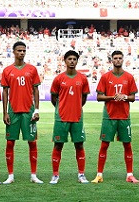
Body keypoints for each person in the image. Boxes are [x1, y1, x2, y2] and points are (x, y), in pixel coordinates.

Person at [91, 51, 139, 184]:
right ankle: (99, 174)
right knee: (104, 145)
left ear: (123, 59)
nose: (117, 60)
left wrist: (124, 96)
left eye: (120, 58)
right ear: (111, 60)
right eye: (115, 58)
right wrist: (113, 97)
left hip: (124, 116)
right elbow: (99, 97)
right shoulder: (106, 77)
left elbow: (133, 98)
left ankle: (129, 175)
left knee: (127, 145)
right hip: (109, 116)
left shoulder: (129, 77)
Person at [1, 41, 43, 184]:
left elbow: (36, 90)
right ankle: (10, 176)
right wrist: (5, 112)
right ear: (13, 52)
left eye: (24, 50)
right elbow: (5, 91)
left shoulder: (31, 69)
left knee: (32, 143)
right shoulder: (7, 70)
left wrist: (36, 110)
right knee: (10, 143)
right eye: (19, 50)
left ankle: (33, 175)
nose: (22, 53)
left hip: (28, 111)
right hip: (13, 111)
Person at [49, 50, 90, 184]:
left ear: (77, 61)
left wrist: (75, 107)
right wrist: (62, 108)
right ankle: (55, 175)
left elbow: (84, 98)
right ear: (65, 61)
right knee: (58, 145)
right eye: (69, 59)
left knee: (79, 145)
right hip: (61, 117)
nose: (72, 61)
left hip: (77, 117)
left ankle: (81, 174)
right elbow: (53, 98)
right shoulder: (58, 79)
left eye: (74, 59)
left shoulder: (83, 78)